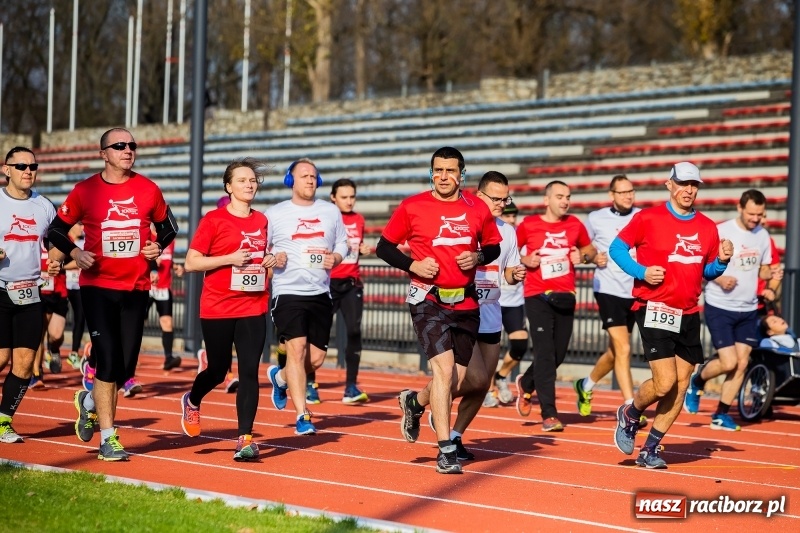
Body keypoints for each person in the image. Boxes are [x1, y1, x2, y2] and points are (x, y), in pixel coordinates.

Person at [48, 128, 178, 461]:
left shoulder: (148, 189)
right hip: (98, 287)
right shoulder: (85, 190)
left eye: (132, 145)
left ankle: (88, 402)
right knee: (106, 358)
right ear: (103, 153)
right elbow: (55, 230)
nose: (128, 150)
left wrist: (156, 246)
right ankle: (108, 438)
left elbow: (170, 227)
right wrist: (75, 255)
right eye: (119, 145)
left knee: (123, 367)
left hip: (136, 288)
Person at [376, 147, 502, 474]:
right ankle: (446, 450)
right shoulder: (412, 205)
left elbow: (493, 246)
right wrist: (413, 263)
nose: (443, 176)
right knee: (443, 372)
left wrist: (477, 258)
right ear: (431, 172)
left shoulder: (477, 208)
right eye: (438, 170)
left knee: (460, 380)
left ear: (462, 173)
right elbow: (383, 247)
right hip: (427, 299)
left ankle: (414, 403)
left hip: (467, 303)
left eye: (450, 170)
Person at [609, 162, 732, 469]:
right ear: (670, 184)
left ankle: (650, 448)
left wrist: (723, 262)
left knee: (681, 384)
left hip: (689, 312)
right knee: (664, 383)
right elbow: (616, 249)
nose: (689, 190)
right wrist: (642, 272)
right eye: (683, 183)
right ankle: (631, 412)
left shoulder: (707, 227)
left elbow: (708, 271)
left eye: (694, 185)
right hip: (654, 307)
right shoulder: (648, 217)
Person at [179, 158, 276, 461]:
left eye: (253, 180)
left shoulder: (262, 220)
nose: (249, 184)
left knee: (249, 371)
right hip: (218, 306)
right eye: (243, 180)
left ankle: (244, 439)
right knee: (219, 370)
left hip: (252, 305)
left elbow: (261, 258)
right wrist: (229, 259)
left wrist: (271, 260)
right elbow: (191, 262)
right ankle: (193, 400)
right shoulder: (214, 220)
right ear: (228, 186)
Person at [425, 171, 525, 459]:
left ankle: (454, 435)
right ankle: (425, 401)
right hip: (461, 311)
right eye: (495, 198)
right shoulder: (460, 222)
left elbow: (507, 270)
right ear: (478, 195)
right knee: (461, 379)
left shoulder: (507, 231)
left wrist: (515, 275)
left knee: (481, 384)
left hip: (491, 312)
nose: (501, 204)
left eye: (505, 199)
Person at [265, 158, 348, 436]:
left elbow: (343, 243)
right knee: (296, 349)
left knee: (316, 359)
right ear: (291, 180)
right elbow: (260, 249)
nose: (310, 180)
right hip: (288, 291)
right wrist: (272, 258)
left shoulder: (330, 211)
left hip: (320, 292)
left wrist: (335, 257)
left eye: (314, 176)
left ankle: (280, 376)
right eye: (304, 176)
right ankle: (303, 415)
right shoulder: (275, 214)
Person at [683, 189, 774, 431]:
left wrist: (771, 275)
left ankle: (721, 414)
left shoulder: (763, 235)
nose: (756, 218)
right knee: (729, 362)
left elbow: (763, 269)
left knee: (742, 363)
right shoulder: (722, 230)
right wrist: (720, 279)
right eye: (752, 213)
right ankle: (697, 380)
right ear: (740, 208)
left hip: (748, 308)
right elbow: (701, 264)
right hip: (720, 306)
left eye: (760, 214)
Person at [515, 180, 596, 431]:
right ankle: (549, 413)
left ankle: (527, 383)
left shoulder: (574, 224)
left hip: (565, 296)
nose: (565, 201)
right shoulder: (529, 224)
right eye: (560, 196)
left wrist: (582, 256)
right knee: (545, 353)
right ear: (546, 199)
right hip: (537, 294)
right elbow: (510, 251)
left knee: (558, 354)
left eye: (568, 197)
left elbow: (590, 250)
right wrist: (525, 259)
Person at [574, 175, 645, 425]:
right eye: (623, 192)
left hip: (635, 290)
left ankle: (586, 384)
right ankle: (629, 407)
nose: (628, 196)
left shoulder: (643, 217)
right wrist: (593, 258)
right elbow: (582, 247)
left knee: (616, 352)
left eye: (631, 191)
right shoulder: (596, 218)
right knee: (625, 348)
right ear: (611, 194)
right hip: (608, 289)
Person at [0, 147, 58, 443]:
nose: (28, 170)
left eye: (33, 165)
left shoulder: (44, 206)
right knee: (1, 358)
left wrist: (59, 258)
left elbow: (58, 240)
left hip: (30, 292)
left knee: (23, 363)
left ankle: (3, 421)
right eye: (21, 165)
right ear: (6, 169)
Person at [304, 178, 372, 404]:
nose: (349, 201)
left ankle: (351, 387)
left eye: (352, 196)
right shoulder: (326, 217)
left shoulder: (359, 219)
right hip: (326, 283)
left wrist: (361, 250)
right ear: (333, 197)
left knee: (354, 331)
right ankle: (310, 385)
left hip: (351, 283)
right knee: (316, 333)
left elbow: (353, 249)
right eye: (344, 197)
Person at [485, 201, 528, 407]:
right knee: (488, 347)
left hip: (514, 301)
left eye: (514, 216)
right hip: (491, 299)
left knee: (520, 344)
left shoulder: (519, 236)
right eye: (507, 216)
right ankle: (486, 388)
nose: (511, 219)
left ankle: (501, 376)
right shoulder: (495, 233)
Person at [195, 195, 240, 393]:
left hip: (243, 294)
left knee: (236, 343)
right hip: (219, 294)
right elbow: (195, 259)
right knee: (222, 351)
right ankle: (222, 370)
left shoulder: (251, 223)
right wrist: (229, 258)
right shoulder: (212, 221)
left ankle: (228, 373)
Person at [30, 242, 69, 389]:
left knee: (56, 335)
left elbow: (75, 261)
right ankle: (37, 374)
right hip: (39, 294)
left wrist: (60, 265)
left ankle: (54, 349)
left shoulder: (60, 237)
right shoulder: (32, 239)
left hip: (58, 293)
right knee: (38, 334)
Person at [147, 226, 182, 371]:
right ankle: (126, 356)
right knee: (135, 322)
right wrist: (152, 265)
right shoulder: (146, 235)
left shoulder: (169, 239)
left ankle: (168, 357)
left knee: (167, 322)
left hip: (163, 287)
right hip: (146, 286)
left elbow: (168, 260)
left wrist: (175, 267)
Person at [64, 222, 87, 370]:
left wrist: (64, 266)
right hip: (60, 285)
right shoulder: (63, 239)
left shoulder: (85, 241)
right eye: (79, 224)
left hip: (77, 286)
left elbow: (83, 261)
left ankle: (73, 353)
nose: (82, 228)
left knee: (80, 317)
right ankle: (50, 352)